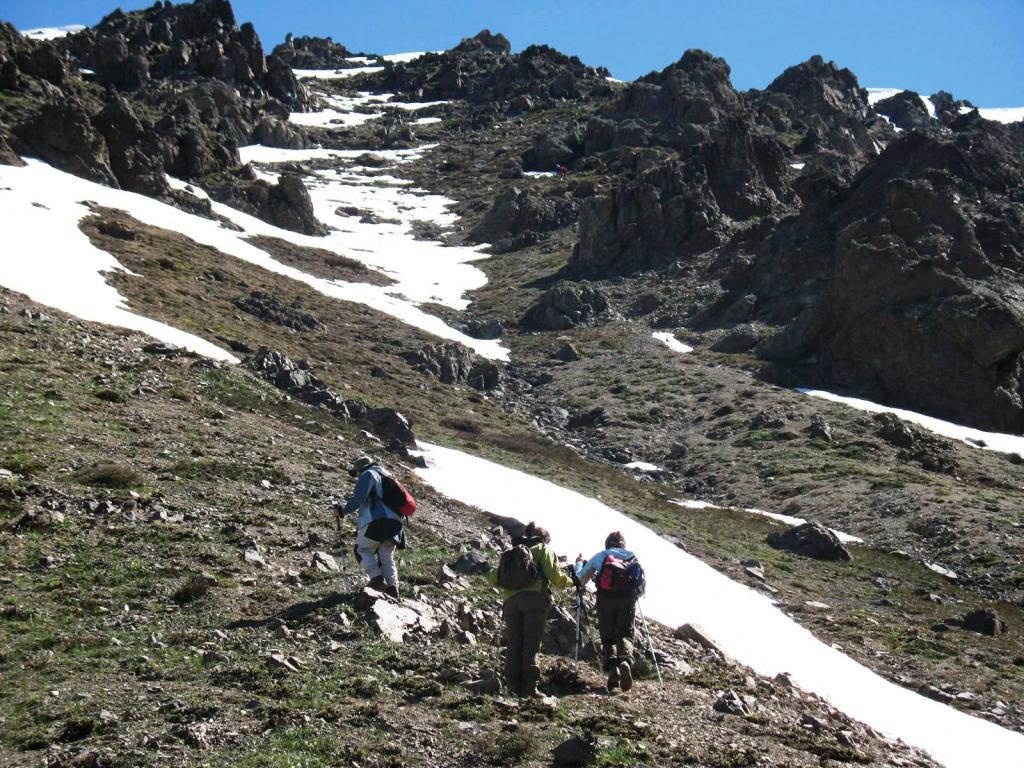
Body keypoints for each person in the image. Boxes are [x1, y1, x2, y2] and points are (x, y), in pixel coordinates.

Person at [487, 522, 573, 698]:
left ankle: (512, 686)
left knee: (514, 644)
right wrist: (572, 581)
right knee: (531, 644)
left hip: (510, 603)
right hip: (534, 601)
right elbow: (555, 577)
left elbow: (493, 578)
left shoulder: (511, 553)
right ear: (544, 538)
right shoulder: (542, 549)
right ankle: (529, 688)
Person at [575, 531, 640, 693]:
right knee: (625, 634)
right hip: (627, 600)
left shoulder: (601, 556)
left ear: (607, 544)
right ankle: (625, 661)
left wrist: (578, 565)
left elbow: (581, 578)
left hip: (605, 600)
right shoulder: (632, 557)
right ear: (623, 543)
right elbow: (640, 583)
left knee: (607, 636)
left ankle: (613, 669)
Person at [337, 456, 405, 598]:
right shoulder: (387, 474)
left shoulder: (369, 474)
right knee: (386, 555)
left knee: (361, 549)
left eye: (357, 473)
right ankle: (393, 589)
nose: (357, 477)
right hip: (397, 523)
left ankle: (376, 579)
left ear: (361, 469)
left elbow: (359, 498)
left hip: (377, 520)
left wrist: (343, 511)